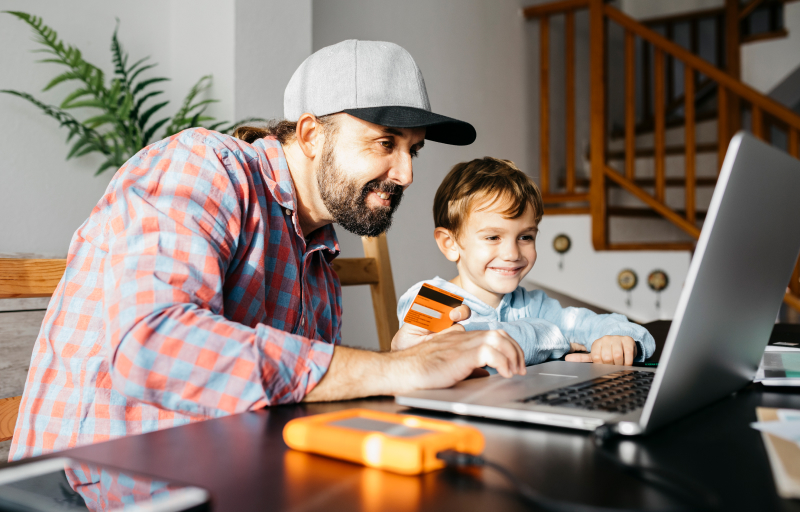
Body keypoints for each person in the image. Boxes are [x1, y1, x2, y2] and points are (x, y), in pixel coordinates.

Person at [9, 40, 527, 461]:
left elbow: (291, 402)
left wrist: (408, 363)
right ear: (310, 135)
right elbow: (150, 344)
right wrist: (391, 372)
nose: (407, 174)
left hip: (223, 477)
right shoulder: (201, 166)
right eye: (384, 142)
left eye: (412, 150)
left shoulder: (318, 254)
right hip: (89, 488)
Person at [394, 157, 656, 366]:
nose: (512, 253)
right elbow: (457, 354)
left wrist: (621, 339)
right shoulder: (429, 299)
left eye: (525, 237)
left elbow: (592, 324)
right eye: (493, 237)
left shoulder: (533, 304)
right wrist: (551, 334)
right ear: (450, 244)